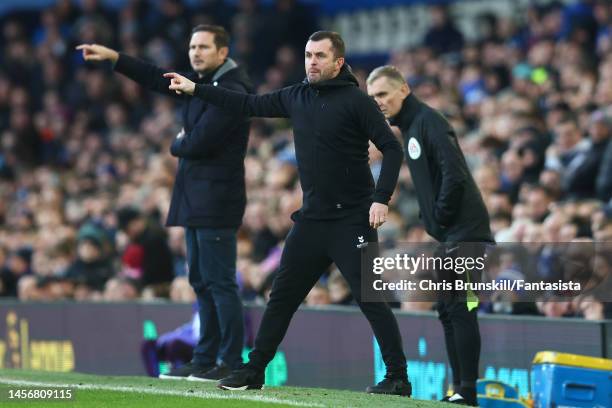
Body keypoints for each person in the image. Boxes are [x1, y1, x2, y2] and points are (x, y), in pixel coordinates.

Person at [165, 31, 411, 396]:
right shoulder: (295, 96)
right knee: (281, 298)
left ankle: (397, 377)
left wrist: (381, 198)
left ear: (338, 62)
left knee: (371, 301)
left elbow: (392, 149)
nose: (312, 61)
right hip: (311, 220)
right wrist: (196, 89)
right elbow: (246, 104)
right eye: (309, 54)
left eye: (320, 56)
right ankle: (254, 370)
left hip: (351, 220)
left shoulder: (357, 102)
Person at [76, 24, 253, 381]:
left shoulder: (232, 90)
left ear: (223, 52)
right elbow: (159, 78)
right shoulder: (202, 86)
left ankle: (230, 360)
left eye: (204, 47)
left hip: (216, 201)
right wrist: (115, 59)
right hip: (195, 199)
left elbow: (199, 142)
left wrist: (177, 143)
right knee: (201, 281)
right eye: (192, 47)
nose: (195, 53)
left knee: (219, 282)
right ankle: (204, 357)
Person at [366, 65, 494, 406]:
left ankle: (467, 391)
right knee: (448, 310)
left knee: (463, 308)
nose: (377, 102)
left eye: (382, 94)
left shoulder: (428, 121)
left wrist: (436, 216)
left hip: (466, 233)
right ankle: (459, 390)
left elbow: (455, 174)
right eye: (373, 97)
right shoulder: (410, 128)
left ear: (403, 90)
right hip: (449, 234)